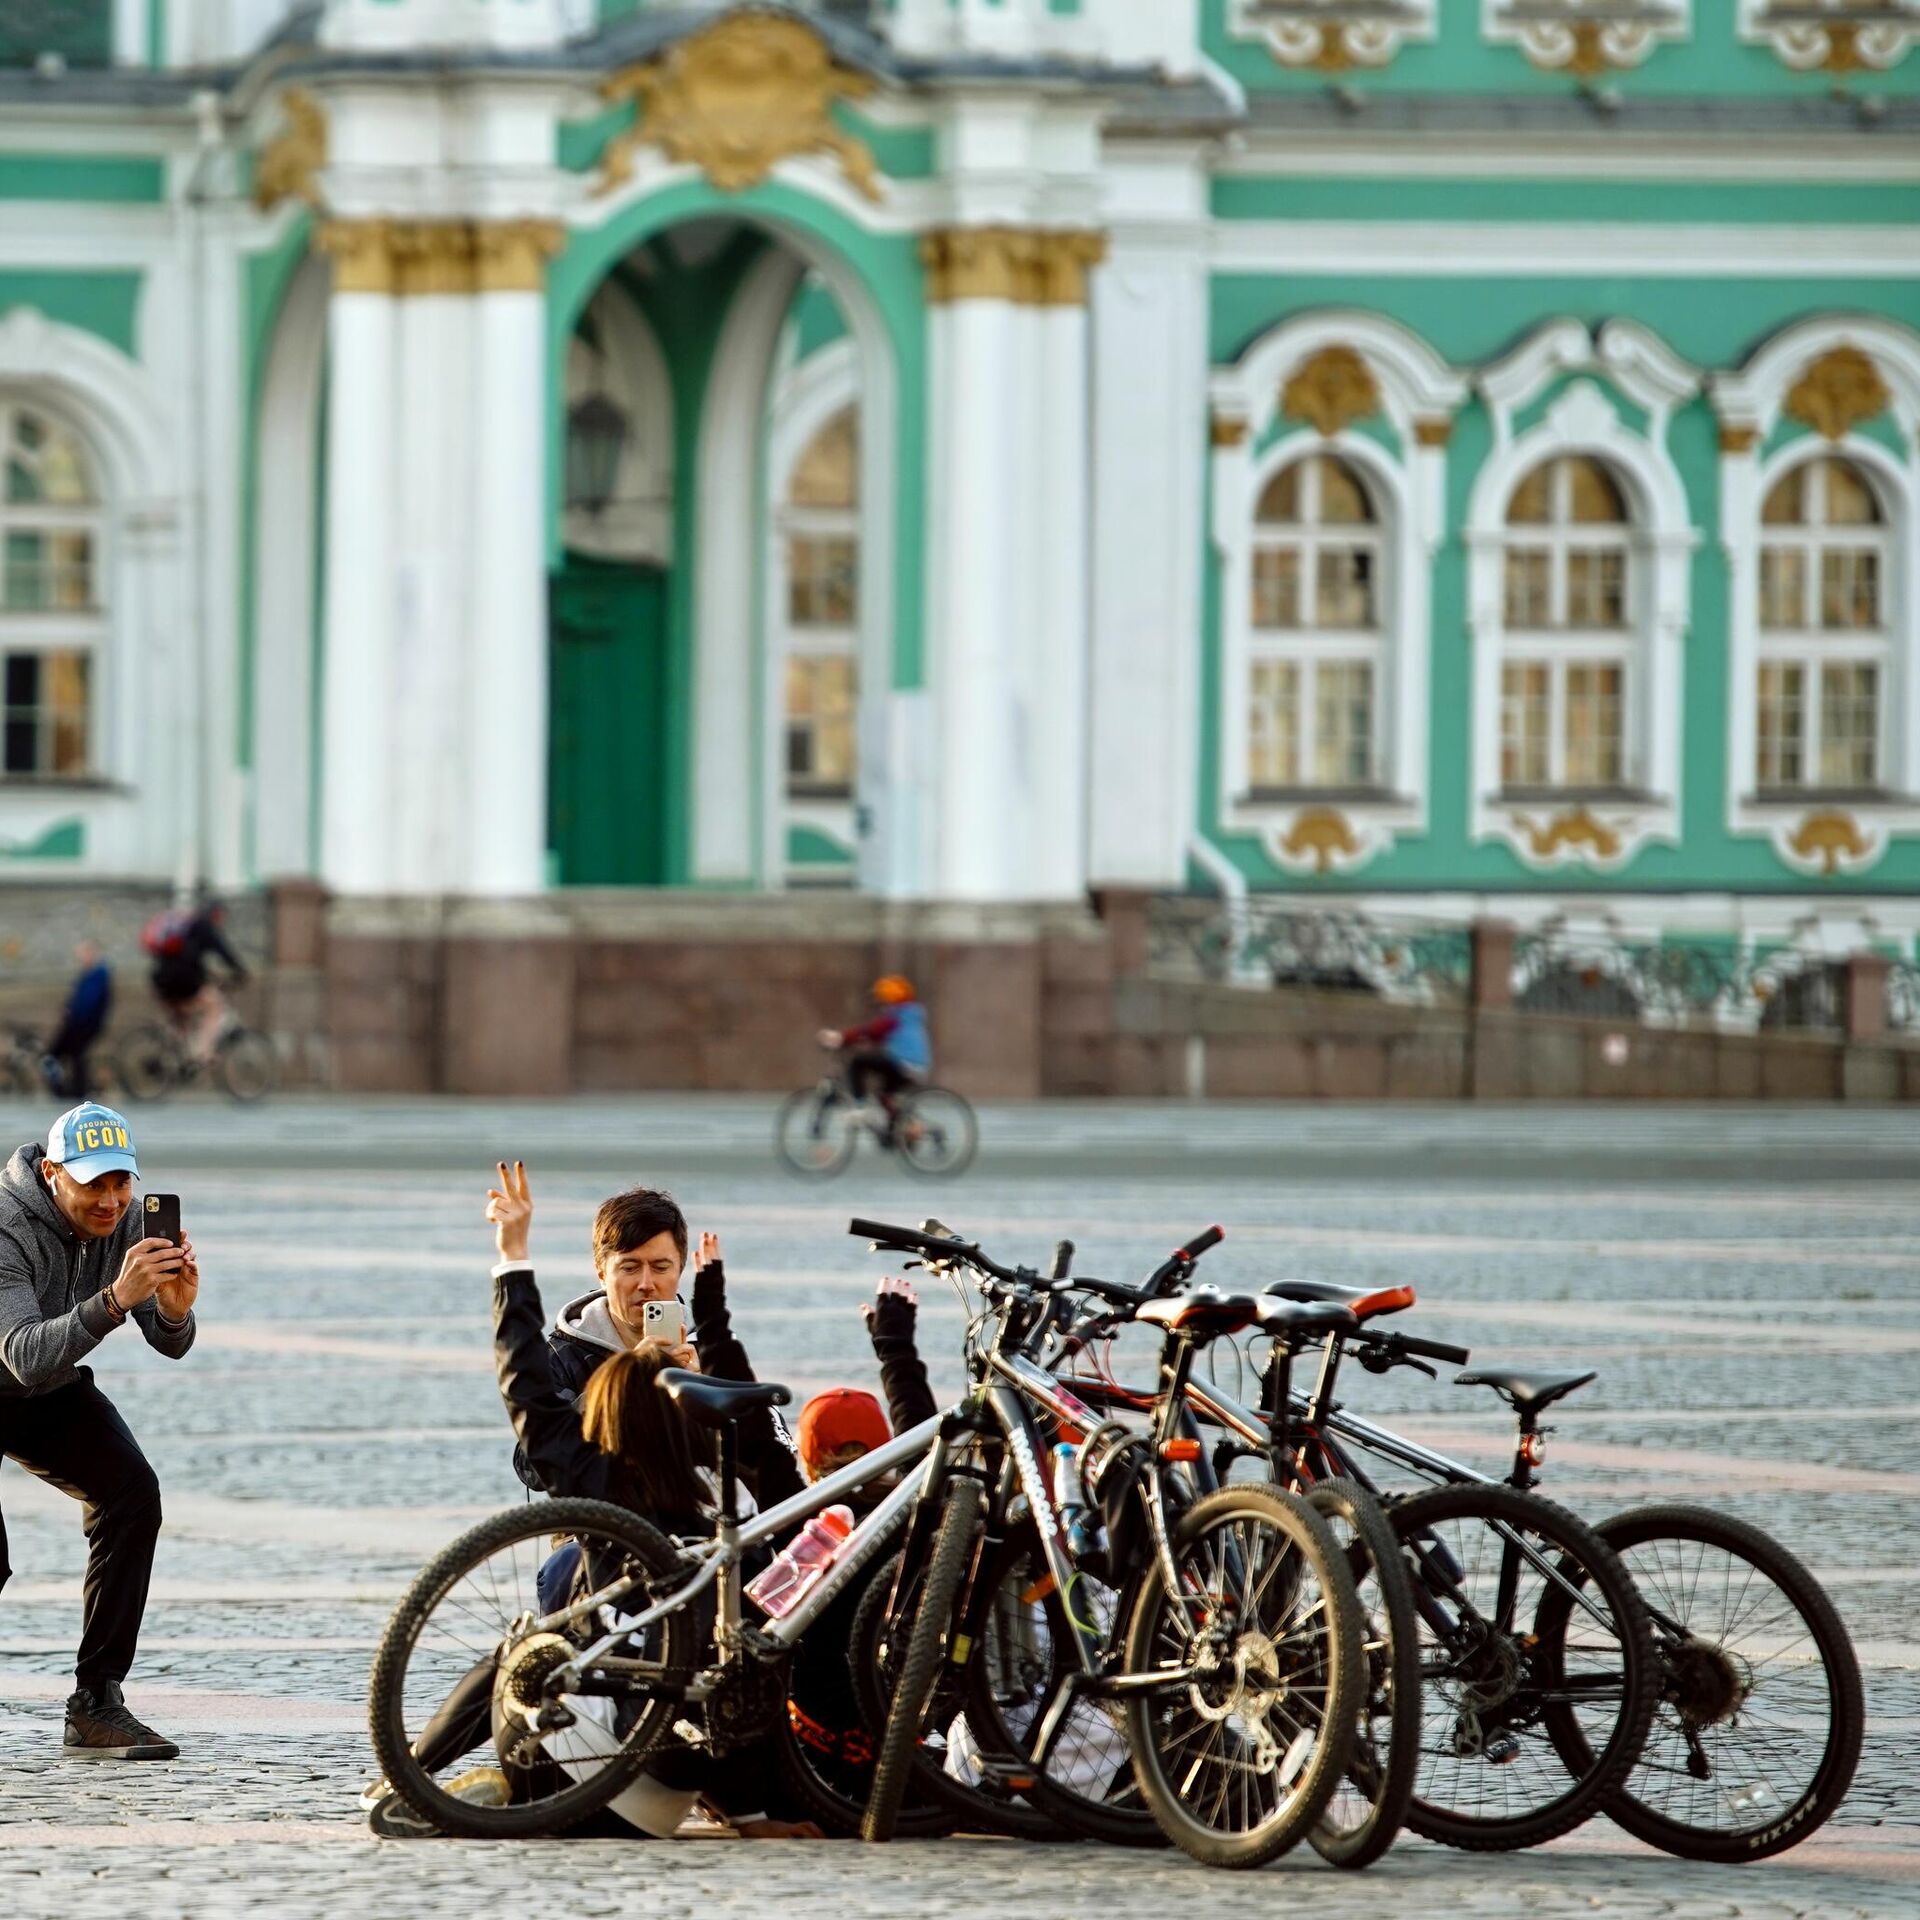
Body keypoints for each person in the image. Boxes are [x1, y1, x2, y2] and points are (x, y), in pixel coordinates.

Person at [481, 1160, 819, 1841]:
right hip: (600, 1536)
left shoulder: (700, 1352)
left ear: (681, 1269)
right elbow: (538, 1457)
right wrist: (628, 1396)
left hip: (688, 1538)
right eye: (629, 1267)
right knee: (554, 1607)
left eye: (661, 1268)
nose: (645, 1285)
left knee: (741, 1621)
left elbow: (765, 1464)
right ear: (602, 1270)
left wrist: (697, 1393)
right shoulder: (572, 1353)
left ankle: (743, 1790)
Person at [0, 1102, 199, 1759]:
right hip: (22, 1366)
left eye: (122, 1182)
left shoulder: (126, 1223)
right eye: (93, 1184)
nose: (111, 1201)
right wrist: (114, 1300)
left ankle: (96, 1703)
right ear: (52, 1173)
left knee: (132, 1495)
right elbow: (23, 1352)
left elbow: (169, 1343)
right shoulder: (6, 1226)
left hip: (45, 1392)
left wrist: (173, 1309)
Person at [817, 975, 932, 1142]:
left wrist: (840, 1038)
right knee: (884, 1095)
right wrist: (857, 1041)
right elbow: (878, 1036)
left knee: (858, 1062)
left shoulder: (897, 1016)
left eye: (883, 1000)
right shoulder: (908, 1015)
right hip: (913, 1066)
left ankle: (860, 1107)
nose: (881, 1005)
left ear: (891, 998)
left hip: (904, 1064)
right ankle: (903, 1130)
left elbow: (872, 1030)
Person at [144, 896, 248, 1064]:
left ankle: (177, 1056)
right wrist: (240, 971)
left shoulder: (187, 928)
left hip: (161, 979)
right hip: (182, 981)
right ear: (216, 914)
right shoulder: (205, 927)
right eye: (221, 916)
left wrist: (208, 974)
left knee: (182, 1016)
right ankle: (203, 1052)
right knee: (215, 1005)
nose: (222, 920)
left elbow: (189, 959)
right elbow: (224, 952)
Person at [42, 940, 112, 1099]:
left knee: (72, 1055)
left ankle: (74, 1090)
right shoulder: (89, 975)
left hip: (83, 1024)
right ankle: (71, 1088)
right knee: (67, 1055)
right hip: (77, 1023)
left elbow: (88, 1002)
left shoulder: (98, 974)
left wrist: (72, 1013)